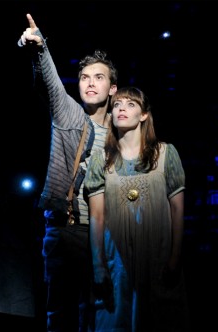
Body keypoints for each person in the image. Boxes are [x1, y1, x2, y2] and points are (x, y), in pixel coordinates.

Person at [18, 13, 118, 332]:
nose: (89, 82)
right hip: (68, 230)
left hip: (109, 235)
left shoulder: (123, 131)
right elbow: (51, 84)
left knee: (99, 314)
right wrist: (39, 47)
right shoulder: (70, 114)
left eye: (98, 77)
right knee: (60, 314)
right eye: (85, 77)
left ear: (113, 88)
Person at [85, 86, 190, 331]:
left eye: (131, 104)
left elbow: (177, 212)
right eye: (118, 104)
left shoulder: (165, 153)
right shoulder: (101, 158)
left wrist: (175, 257)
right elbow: (97, 216)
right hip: (118, 262)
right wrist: (98, 264)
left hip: (158, 258)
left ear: (144, 114)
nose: (122, 109)